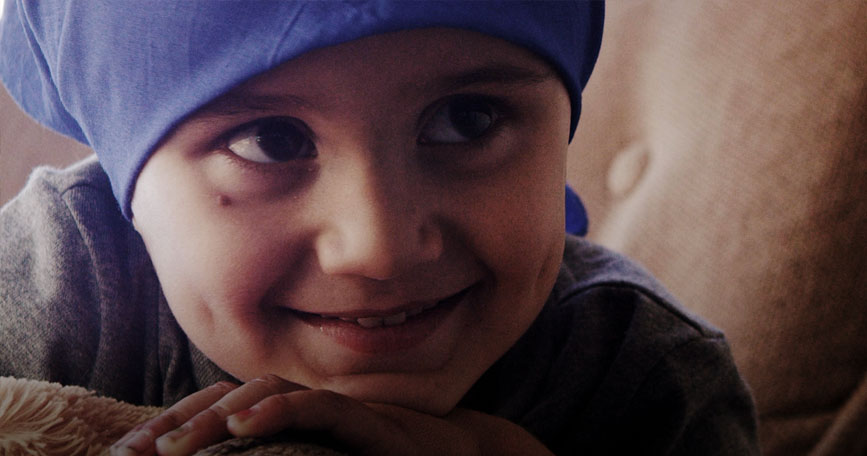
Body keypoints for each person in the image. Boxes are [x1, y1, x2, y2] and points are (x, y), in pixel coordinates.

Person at [0, 1, 758, 455]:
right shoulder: (66, 282)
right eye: (271, 140)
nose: (380, 247)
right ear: (129, 187)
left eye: (467, 120)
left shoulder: (643, 376)